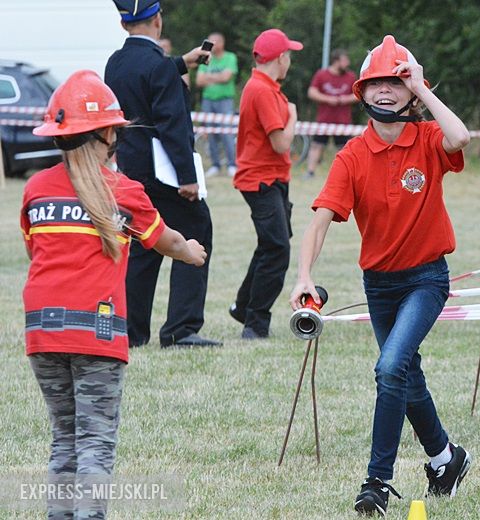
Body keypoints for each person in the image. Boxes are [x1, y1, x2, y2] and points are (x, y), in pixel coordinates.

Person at [290, 35, 472, 517]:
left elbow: (460, 138)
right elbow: (320, 221)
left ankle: (377, 481)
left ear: (412, 92)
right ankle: (446, 459)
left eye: (396, 82)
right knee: (406, 374)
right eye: (376, 83)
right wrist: (304, 275)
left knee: (390, 368)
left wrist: (423, 88)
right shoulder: (351, 155)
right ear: (362, 92)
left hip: (426, 279)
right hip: (380, 285)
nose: (385, 91)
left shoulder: (429, 138)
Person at [22, 70, 207, 519]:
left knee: (64, 439)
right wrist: (191, 252)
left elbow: (35, 251)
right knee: (95, 443)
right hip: (96, 329)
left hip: (42, 329)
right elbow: (165, 241)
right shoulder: (123, 192)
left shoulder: (35, 190)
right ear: (108, 134)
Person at [106, 0, 221, 348]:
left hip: (132, 167)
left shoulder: (116, 62)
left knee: (145, 242)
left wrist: (182, 63)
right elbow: (172, 124)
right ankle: (181, 329)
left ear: (124, 25)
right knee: (196, 231)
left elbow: (144, 78)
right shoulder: (158, 65)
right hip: (164, 173)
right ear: (157, 19)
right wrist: (188, 177)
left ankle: (131, 330)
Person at [229, 28, 302, 340]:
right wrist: (294, 117)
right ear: (280, 58)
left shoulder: (263, 87)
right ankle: (256, 323)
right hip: (262, 179)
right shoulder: (262, 90)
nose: (289, 62)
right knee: (277, 250)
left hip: (269, 178)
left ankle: (243, 307)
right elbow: (281, 143)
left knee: (271, 245)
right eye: (289, 56)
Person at [305, 48, 358, 178]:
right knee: (316, 145)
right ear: (336, 61)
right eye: (344, 60)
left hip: (343, 121)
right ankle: (310, 172)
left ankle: (346, 174)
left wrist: (344, 99)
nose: (347, 63)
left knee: (344, 149)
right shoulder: (321, 75)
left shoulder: (350, 76)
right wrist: (328, 99)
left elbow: (359, 95)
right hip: (324, 119)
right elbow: (311, 92)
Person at [196, 32, 238, 177]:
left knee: (227, 132)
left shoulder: (230, 57)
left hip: (225, 100)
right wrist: (218, 77)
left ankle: (232, 164)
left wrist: (208, 77)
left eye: (215, 42)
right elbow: (199, 81)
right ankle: (215, 165)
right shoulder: (206, 58)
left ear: (222, 43)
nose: (212, 45)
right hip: (208, 100)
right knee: (210, 133)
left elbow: (227, 77)